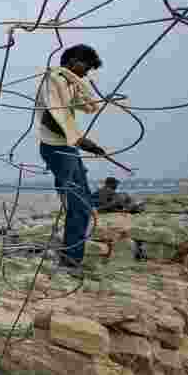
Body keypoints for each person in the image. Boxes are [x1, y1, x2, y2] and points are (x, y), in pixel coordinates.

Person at [34, 44, 107, 273]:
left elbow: (88, 107)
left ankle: (71, 258)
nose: (87, 73)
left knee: (83, 205)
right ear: (74, 60)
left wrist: (81, 84)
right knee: (79, 205)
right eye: (86, 67)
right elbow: (51, 118)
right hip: (57, 149)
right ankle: (70, 261)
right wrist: (81, 140)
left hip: (67, 148)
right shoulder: (53, 80)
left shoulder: (68, 82)